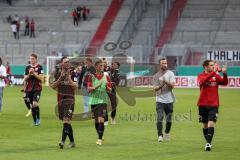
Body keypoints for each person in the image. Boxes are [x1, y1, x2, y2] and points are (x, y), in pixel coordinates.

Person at [197, 60, 228, 151]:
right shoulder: (200, 76)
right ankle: (208, 141)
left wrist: (225, 74)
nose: (213, 66)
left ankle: (208, 144)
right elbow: (203, 81)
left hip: (214, 104)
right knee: (205, 125)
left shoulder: (216, 76)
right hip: (202, 104)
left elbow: (225, 83)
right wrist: (215, 72)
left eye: (213, 65)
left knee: (211, 123)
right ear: (205, 67)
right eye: (211, 65)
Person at [50, 57, 77, 149]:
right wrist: (61, 77)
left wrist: (69, 78)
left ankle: (62, 142)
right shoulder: (57, 73)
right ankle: (72, 142)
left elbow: (75, 86)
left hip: (70, 99)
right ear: (61, 63)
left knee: (66, 120)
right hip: (60, 100)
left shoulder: (73, 72)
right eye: (65, 62)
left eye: (68, 62)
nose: (67, 63)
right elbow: (53, 86)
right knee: (67, 122)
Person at [87, 60, 112, 145]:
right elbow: (89, 89)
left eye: (103, 66)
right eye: (100, 65)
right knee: (96, 121)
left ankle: (100, 139)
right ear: (96, 67)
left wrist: (106, 87)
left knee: (101, 119)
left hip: (103, 100)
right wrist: (98, 85)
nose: (102, 67)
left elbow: (110, 89)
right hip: (94, 100)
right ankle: (100, 134)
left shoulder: (106, 76)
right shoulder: (91, 76)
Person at [153, 58, 176, 142]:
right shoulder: (156, 76)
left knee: (169, 120)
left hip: (169, 100)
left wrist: (165, 82)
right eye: (163, 63)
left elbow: (172, 86)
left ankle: (167, 132)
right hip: (159, 100)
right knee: (159, 118)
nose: (165, 64)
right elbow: (155, 89)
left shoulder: (171, 74)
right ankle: (160, 136)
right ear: (160, 64)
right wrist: (161, 85)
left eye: (166, 63)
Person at [24, 54, 44, 126]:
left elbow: (41, 78)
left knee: (35, 103)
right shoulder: (27, 67)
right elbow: (25, 78)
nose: (31, 60)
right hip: (29, 89)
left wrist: (34, 73)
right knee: (32, 106)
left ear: (36, 59)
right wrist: (29, 73)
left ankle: (38, 119)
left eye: (32, 59)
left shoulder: (39, 67)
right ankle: (35, 121)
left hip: (37, 88)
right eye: (30, 59)